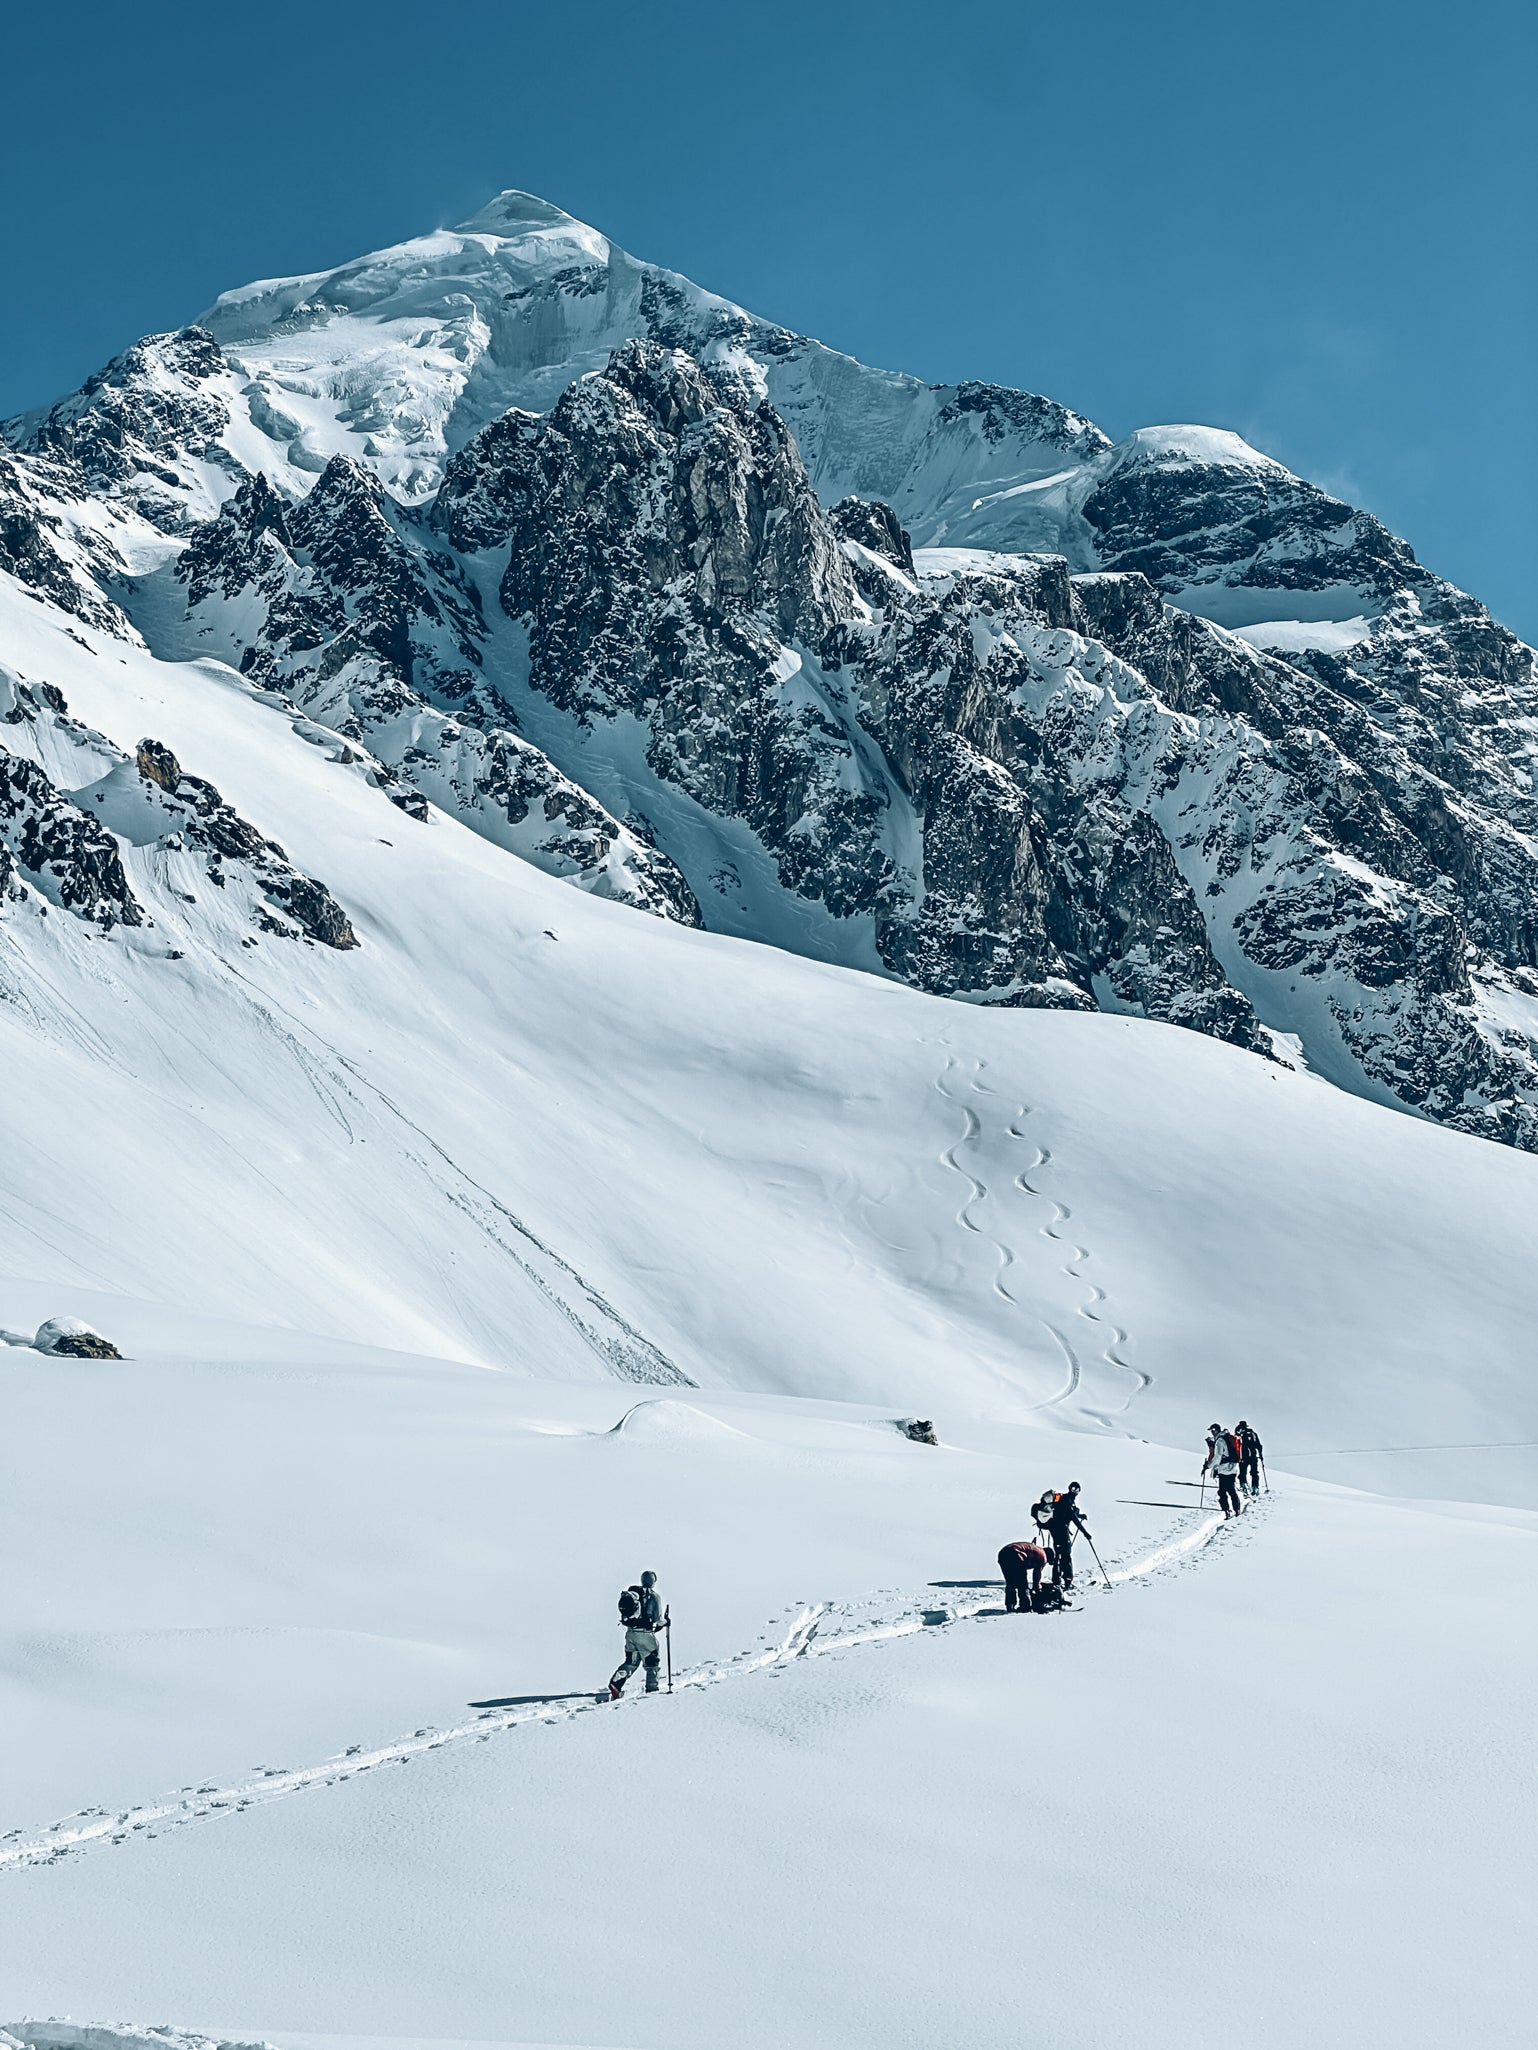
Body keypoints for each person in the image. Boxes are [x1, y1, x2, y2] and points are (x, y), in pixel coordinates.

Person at [607, 1569, 666, 1698]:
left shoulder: (633, 1594)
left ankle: (616, 1683)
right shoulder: (654, 1596)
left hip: (630, 1633)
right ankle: (652, 1690)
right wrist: (666, 1622)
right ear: (653, 1582)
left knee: (631, 1662)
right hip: (646, 1635)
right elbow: (658, 1619)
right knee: (652, 1663)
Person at [1046, 1482, 1091, 1589]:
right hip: (1061, 1531)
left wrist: (1080, 1515)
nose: (1075, 1491)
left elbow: (1068, 1514)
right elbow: (1073, 1518)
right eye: (1074, 1489)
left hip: (1055, 1530)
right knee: (1066, 1556)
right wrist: (1085, 1533)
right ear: (1070, 1489)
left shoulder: (1064, 1499)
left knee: (1058, 1554)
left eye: (1077, 1490)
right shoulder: (1067, 1500)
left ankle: (1056, 1581)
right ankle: (1067, 1581)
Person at [997, 1538, 1048, 1612]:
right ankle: (1025, 1606)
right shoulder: (1043, 1555)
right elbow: (1037, 1575)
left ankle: (1010, 1605)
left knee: (1010, 1582)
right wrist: (1036, 1589)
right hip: (1015, 1554)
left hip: (1003, 1554)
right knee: (1022, 1582)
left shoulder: (1036, 1550)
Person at [1203, 1424, 1242, 1517]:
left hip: (1224, 1469)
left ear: (1216, 1430)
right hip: (1233, 1468)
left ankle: (1227, 1511)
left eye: (1213, 1430)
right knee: (1231, 1489)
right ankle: (1237, 1510)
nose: (1212, 1432)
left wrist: (1209, 1466)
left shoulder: (1219, 1441)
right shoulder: (1227, 1437)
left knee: (1222, 1491)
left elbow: (1217, 1457)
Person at [1236, 1419, 1263, 1495]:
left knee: (1242, 1472)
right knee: (1254, 1473)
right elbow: (1259, 1445)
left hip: (1243, 1457)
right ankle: (1255, 1487)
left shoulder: (1239, 1433)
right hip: (1253, 1457)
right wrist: (1261, 1455)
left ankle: (1243, 1485)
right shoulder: (1253, 1433)